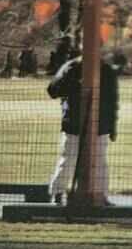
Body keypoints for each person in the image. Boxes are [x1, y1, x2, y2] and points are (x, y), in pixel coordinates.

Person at [47, 54, 119, 207]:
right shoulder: (71, 68)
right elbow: (53, 90)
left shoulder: (107, 70)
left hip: (100, 124)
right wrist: (72, 79)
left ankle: (101, 195)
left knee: (99, 162)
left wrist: (112, 125)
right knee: (68, 160)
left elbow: (113, 100)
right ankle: (57, 193)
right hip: (73, 123)